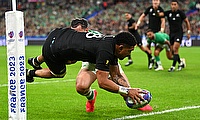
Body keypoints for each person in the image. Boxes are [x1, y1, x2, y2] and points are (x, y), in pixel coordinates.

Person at [27, 18, 153, 112]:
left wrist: (127, 91)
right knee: (79, 86)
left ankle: (134, 98)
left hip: (90, 53)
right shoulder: (106, 48)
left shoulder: (109, 45)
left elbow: (115, 75)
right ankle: (92, 97)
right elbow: (102, 82)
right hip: (75, 53)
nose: (130, 54)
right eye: (129, 51)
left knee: (117, 74)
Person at [156, 0, 191, 72]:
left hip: (179, 33)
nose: (173, 6)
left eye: (175, 4)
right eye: (172, 4)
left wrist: (188, 32)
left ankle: (173, 66)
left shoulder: (180, 13)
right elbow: (159, 15)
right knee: (172, 52)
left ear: (177, 5)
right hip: (171, 34)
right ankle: (181, 63)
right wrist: (156, 8)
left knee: (175, 49)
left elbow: (187, 21)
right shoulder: (168, 13)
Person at [135, 0, 165, 69]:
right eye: (154, 1)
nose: (155, 3)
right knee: (148, 47)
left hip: (157, 32)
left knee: (156, 47)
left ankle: (156, 63)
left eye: (156, 2)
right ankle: (150, 61)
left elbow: (163, 20)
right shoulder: (149, 9)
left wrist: (162, 29)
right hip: (150, 31)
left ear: (159, 2)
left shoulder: (160, 10)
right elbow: (143, 15)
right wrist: (138, 23)